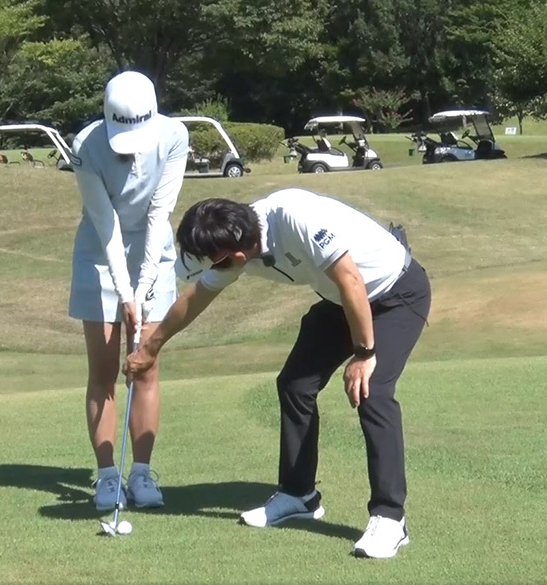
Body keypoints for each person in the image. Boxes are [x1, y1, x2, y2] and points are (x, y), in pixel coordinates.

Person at [124, 188, 431, 558]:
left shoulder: (294, 216)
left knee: (373, 391)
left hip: (396, 293)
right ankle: (299, 494)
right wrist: (151, 347)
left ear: (239, 250)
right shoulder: (235, 248)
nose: (220, 267)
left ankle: (390, 517)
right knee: (295, 384)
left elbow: (350, 278)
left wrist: (364, 354)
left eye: (221, 261)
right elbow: (196, 297)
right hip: (341, 301)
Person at [68, 70, 189, 510]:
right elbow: (106, 223)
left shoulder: (174, 136)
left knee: (145, 368)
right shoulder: (85, 146)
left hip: (153, 254)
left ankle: (140, 474)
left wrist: (144, 284)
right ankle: (106, 477)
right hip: (100, 255)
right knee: (103, 372)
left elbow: (159, 214)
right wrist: (125, 293)